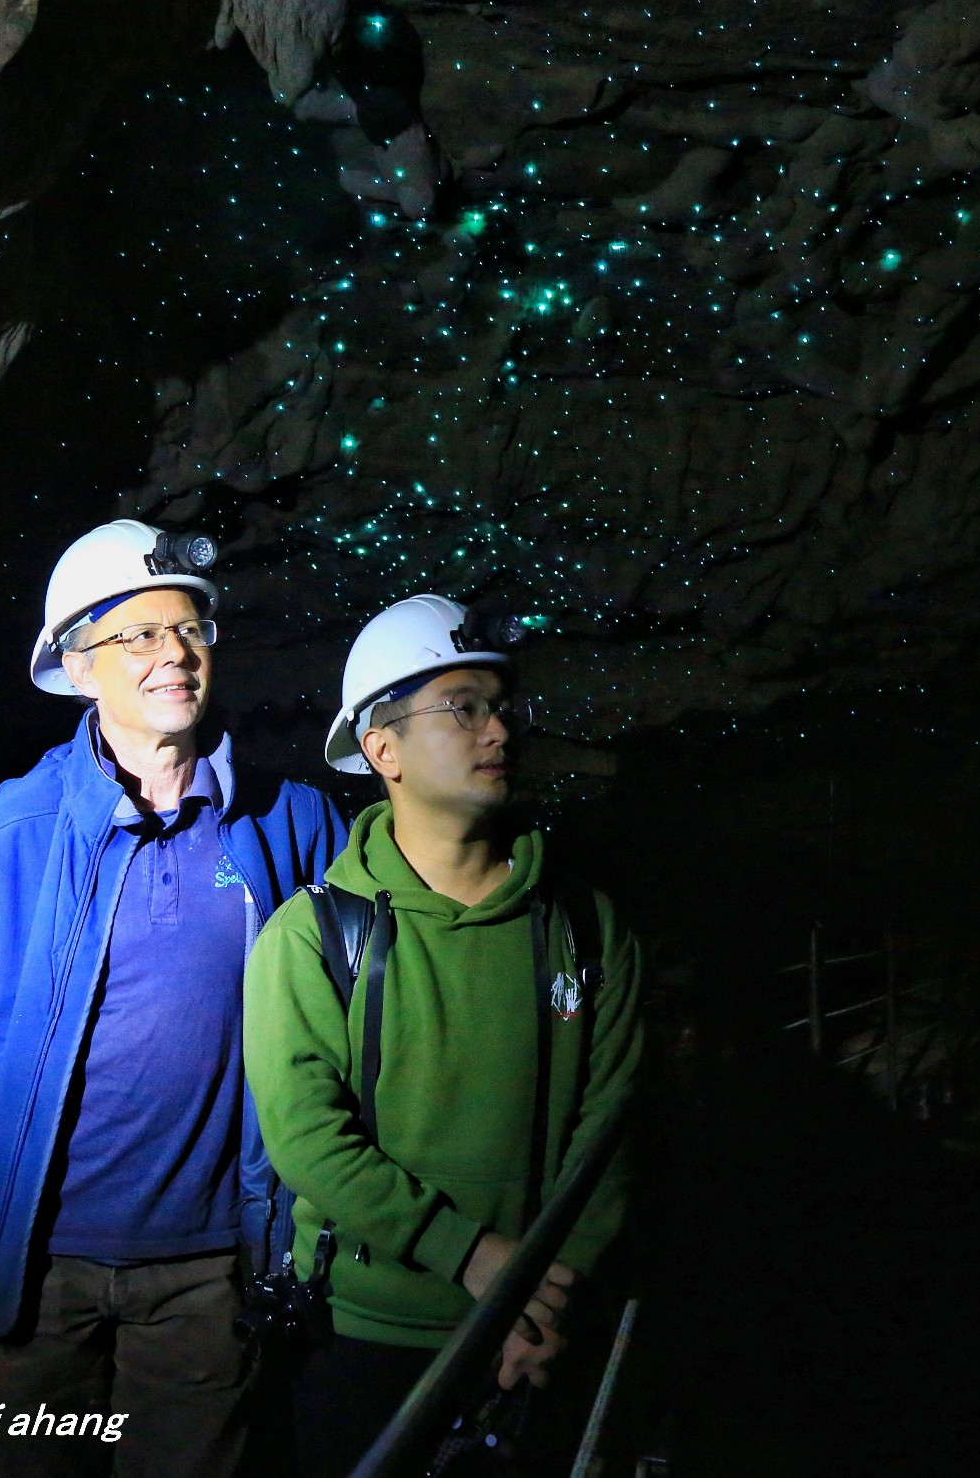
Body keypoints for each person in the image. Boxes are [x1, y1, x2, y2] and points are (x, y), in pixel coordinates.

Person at [0, 520, 345, 1478]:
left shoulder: (294, 822)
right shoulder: (0, 835)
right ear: (79, 669)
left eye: (191, 629)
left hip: (211, 1258)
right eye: (140, 635)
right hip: (33, 1258)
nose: (175, 653)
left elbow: (361, 994)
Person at [243, 596, 643, 1476]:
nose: (496, 727)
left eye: (500, 704)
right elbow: (310, 1138)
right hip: (363, 1338)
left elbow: (610, 1134)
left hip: (533, 1334)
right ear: (380, 748)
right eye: (461, 706)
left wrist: (546, 1301)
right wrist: (472, 1256)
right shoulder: (311, 938)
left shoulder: (588, 927)